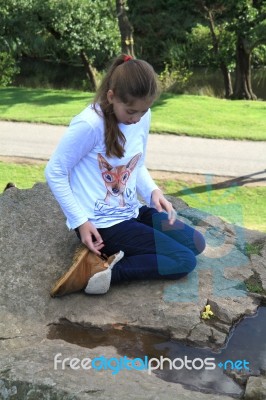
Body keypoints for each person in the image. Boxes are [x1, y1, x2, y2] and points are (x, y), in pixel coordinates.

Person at [45, 54, 205, 296]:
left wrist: (153, 191)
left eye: (144, 111)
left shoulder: (141, 116)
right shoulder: (89, 124)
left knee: (196, 244)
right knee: (183, 260)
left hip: (132, 211)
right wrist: (80, 221)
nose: (137, 119)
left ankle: (122, 254)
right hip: (103, 225)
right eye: (131, 111)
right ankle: (99, 271)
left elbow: (137, 165)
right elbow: (55, 172)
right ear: (111, 97)